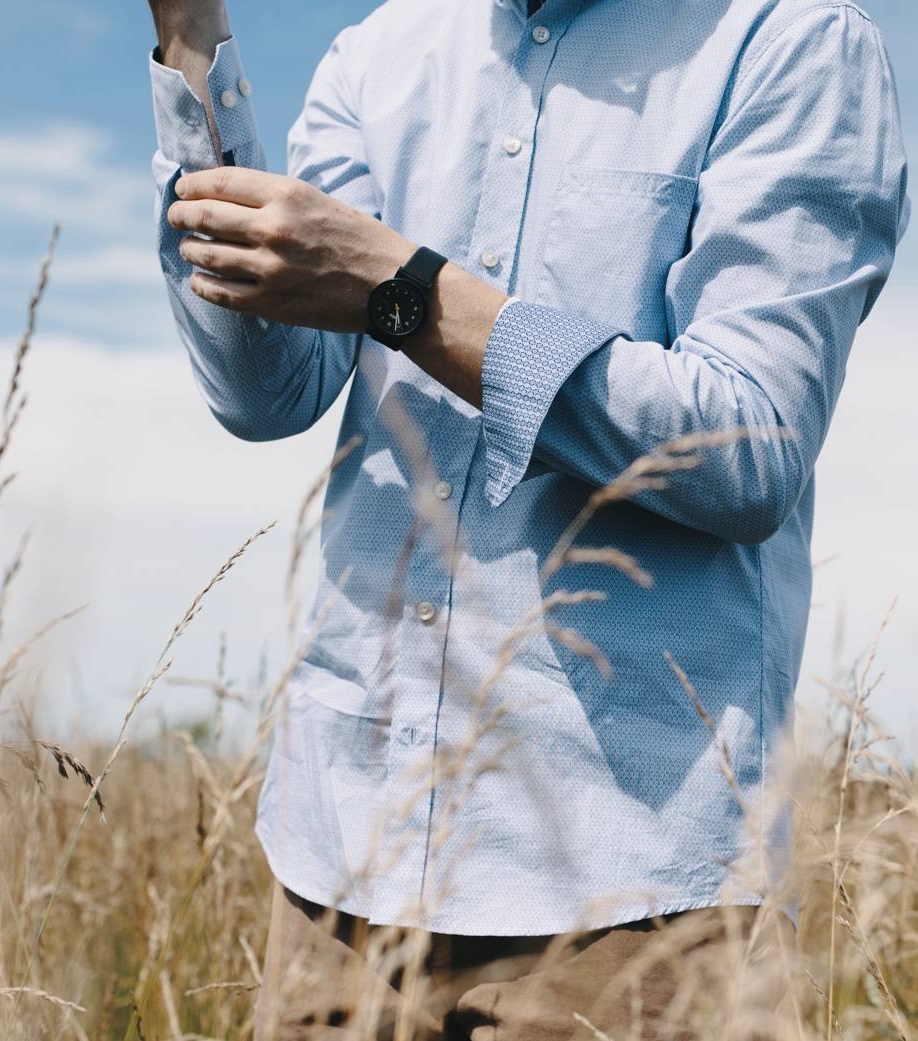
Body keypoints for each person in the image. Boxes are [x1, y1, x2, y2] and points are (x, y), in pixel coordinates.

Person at [144, 0, 909, 1036]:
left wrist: (402, 290)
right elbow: (267, 394)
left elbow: (747, 448)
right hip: (342, 865)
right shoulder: (378, 56)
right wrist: (191, 40)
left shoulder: (795, 41)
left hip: (625, 892)